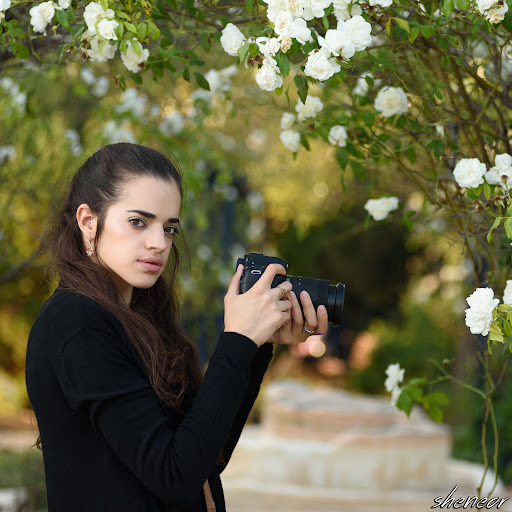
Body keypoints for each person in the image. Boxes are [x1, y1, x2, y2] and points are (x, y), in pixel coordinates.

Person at [25, 143, 328, 512]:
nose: (158, 243)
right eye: (138, 222)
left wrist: (257, 344)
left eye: (169, 228)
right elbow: (174, 476)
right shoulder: (77, 322)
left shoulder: (141, 316)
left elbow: (204, 457)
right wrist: (237, 341)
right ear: (88, 221)